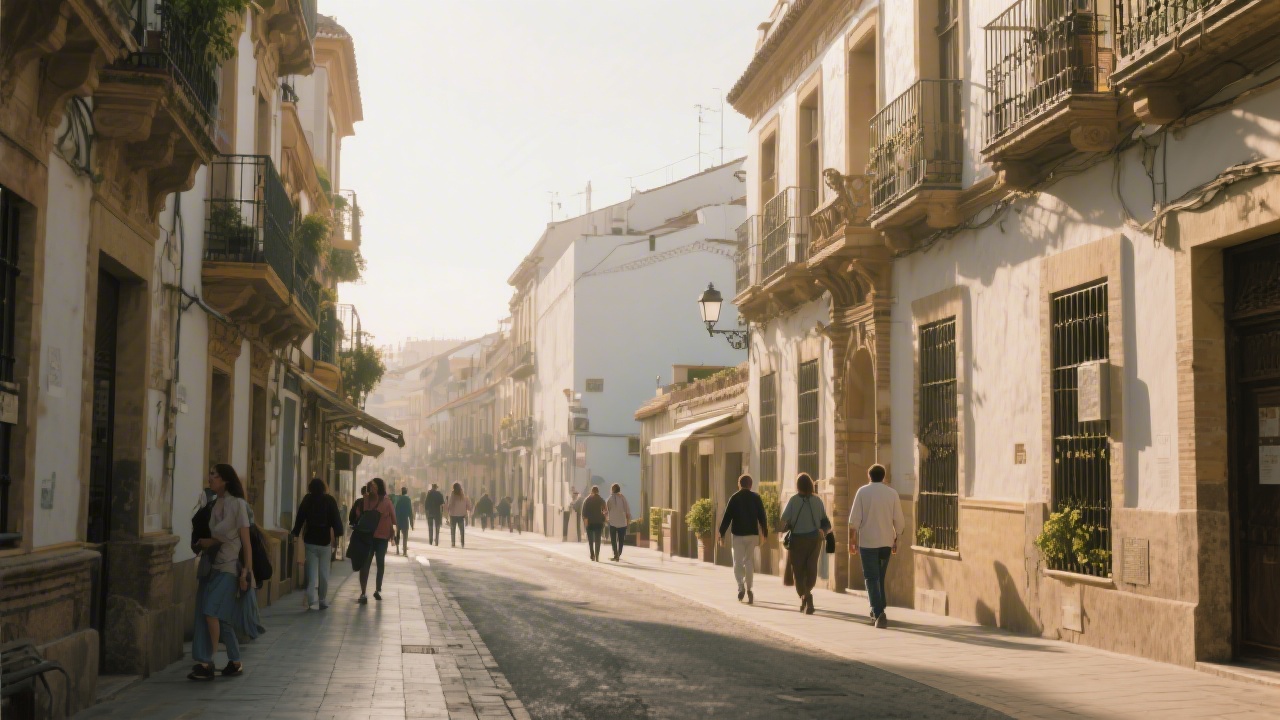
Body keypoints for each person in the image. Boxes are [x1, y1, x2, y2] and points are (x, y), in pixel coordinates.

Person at [189, 464, 254, 680]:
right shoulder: (216, 504)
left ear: (225, 480)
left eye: (214, 476)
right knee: (222, 618)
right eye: (210, 474)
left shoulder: (239, 505)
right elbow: (219, 536)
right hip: (214, 566)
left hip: (230, 568)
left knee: (210, 612)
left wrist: (246, 572)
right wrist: (205, 542)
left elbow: (246, 543)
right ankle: (235, 662)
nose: (210, 479)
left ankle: (208, 662)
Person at [848, 464, 905, 628]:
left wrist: (852, 542)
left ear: (869, 476)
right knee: (879, 576)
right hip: (886, 543)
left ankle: (879, 612)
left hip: (867, 543)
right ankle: (878, 608)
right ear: (884, 477)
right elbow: (899, 520)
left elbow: (854, 520)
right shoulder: (892, 493)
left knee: (871, 577)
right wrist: (896, 539)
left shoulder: (862, 492)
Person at [780, 473, 831, 615]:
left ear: (798, 486)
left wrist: (781, 529)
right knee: (811, 567)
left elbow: (784, 521)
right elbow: (825, 520)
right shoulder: (818, 501)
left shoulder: (793, 500)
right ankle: (806, 594)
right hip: (815, 539)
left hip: (797, 540)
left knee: (798, 570)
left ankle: (806, 595)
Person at [291, 477, 343, 611]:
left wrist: (296, 532)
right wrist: (338, 532)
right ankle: (322, 599)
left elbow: (300, 517)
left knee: (312, 571)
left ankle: (310, 597)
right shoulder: (329, 500)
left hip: (310, 541)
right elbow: (335, 518)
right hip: (324, 541)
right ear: (323, 488)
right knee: (324, 572)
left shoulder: (307, 499)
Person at [718, 474, 769, 605]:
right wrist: (765, 533)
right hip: (752, 535)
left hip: (738, 535)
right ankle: (750, 588)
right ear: (750, 485)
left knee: (738, 561)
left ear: (739, 484)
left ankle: (741, 586)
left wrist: (721, 533)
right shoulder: (756, 498)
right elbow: (762, 516)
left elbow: (727, 517)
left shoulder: (734, 498)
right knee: (749, 561)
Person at [357, 477, 395, 604]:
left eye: (374, 486)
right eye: (370, 486)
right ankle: (363, 592)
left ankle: (378, 589)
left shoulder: (387, 502)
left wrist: (393, 533)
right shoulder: (366, 500)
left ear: (379, 487)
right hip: (368, 536)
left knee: (380, 563)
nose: (372, 488)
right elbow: (358, 514)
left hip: (382, 538)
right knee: (365, 564)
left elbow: (394, 520)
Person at [604, 484, 632, 562]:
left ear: (612, 490)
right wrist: (628, 520)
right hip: (622, 522)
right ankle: (619, 554)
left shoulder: (609, 499)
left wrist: (606, 518)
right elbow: (627, 509)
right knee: (621, 539)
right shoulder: (623, 498)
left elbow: (606, 510)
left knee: (613, 539)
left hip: (612, 522)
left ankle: (616, 554)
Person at [580, 486, 607, 561]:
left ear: (591, 491)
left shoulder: (587, 500)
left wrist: (585, 521)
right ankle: (597, 555)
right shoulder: (601, 500)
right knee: (598, 539)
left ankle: (592, 554)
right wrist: (604, 519)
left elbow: (584, 512)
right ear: (598, 492)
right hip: (599, 522)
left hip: (590, 522)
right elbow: (605, 511)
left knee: (591, 540)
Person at [446, 483, 473, 547]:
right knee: (462, 530)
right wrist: (469, 510)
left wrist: (448, 509)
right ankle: (462, 543)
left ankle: (453, 543)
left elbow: (450, 504)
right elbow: (468, 506)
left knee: (453, 530)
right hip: (461, 515)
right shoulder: (464, 496)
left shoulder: (453, 495)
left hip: (453, 515)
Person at [393, 486, 415, 555]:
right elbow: (410, 511)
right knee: (405, 535)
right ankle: (404, 551)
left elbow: (395, 509)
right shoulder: (408, 499)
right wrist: (412, 523)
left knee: (398, 534)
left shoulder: (398, 499)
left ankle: (397, 549)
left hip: (398, 519)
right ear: (406, 492)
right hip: (405, 519)